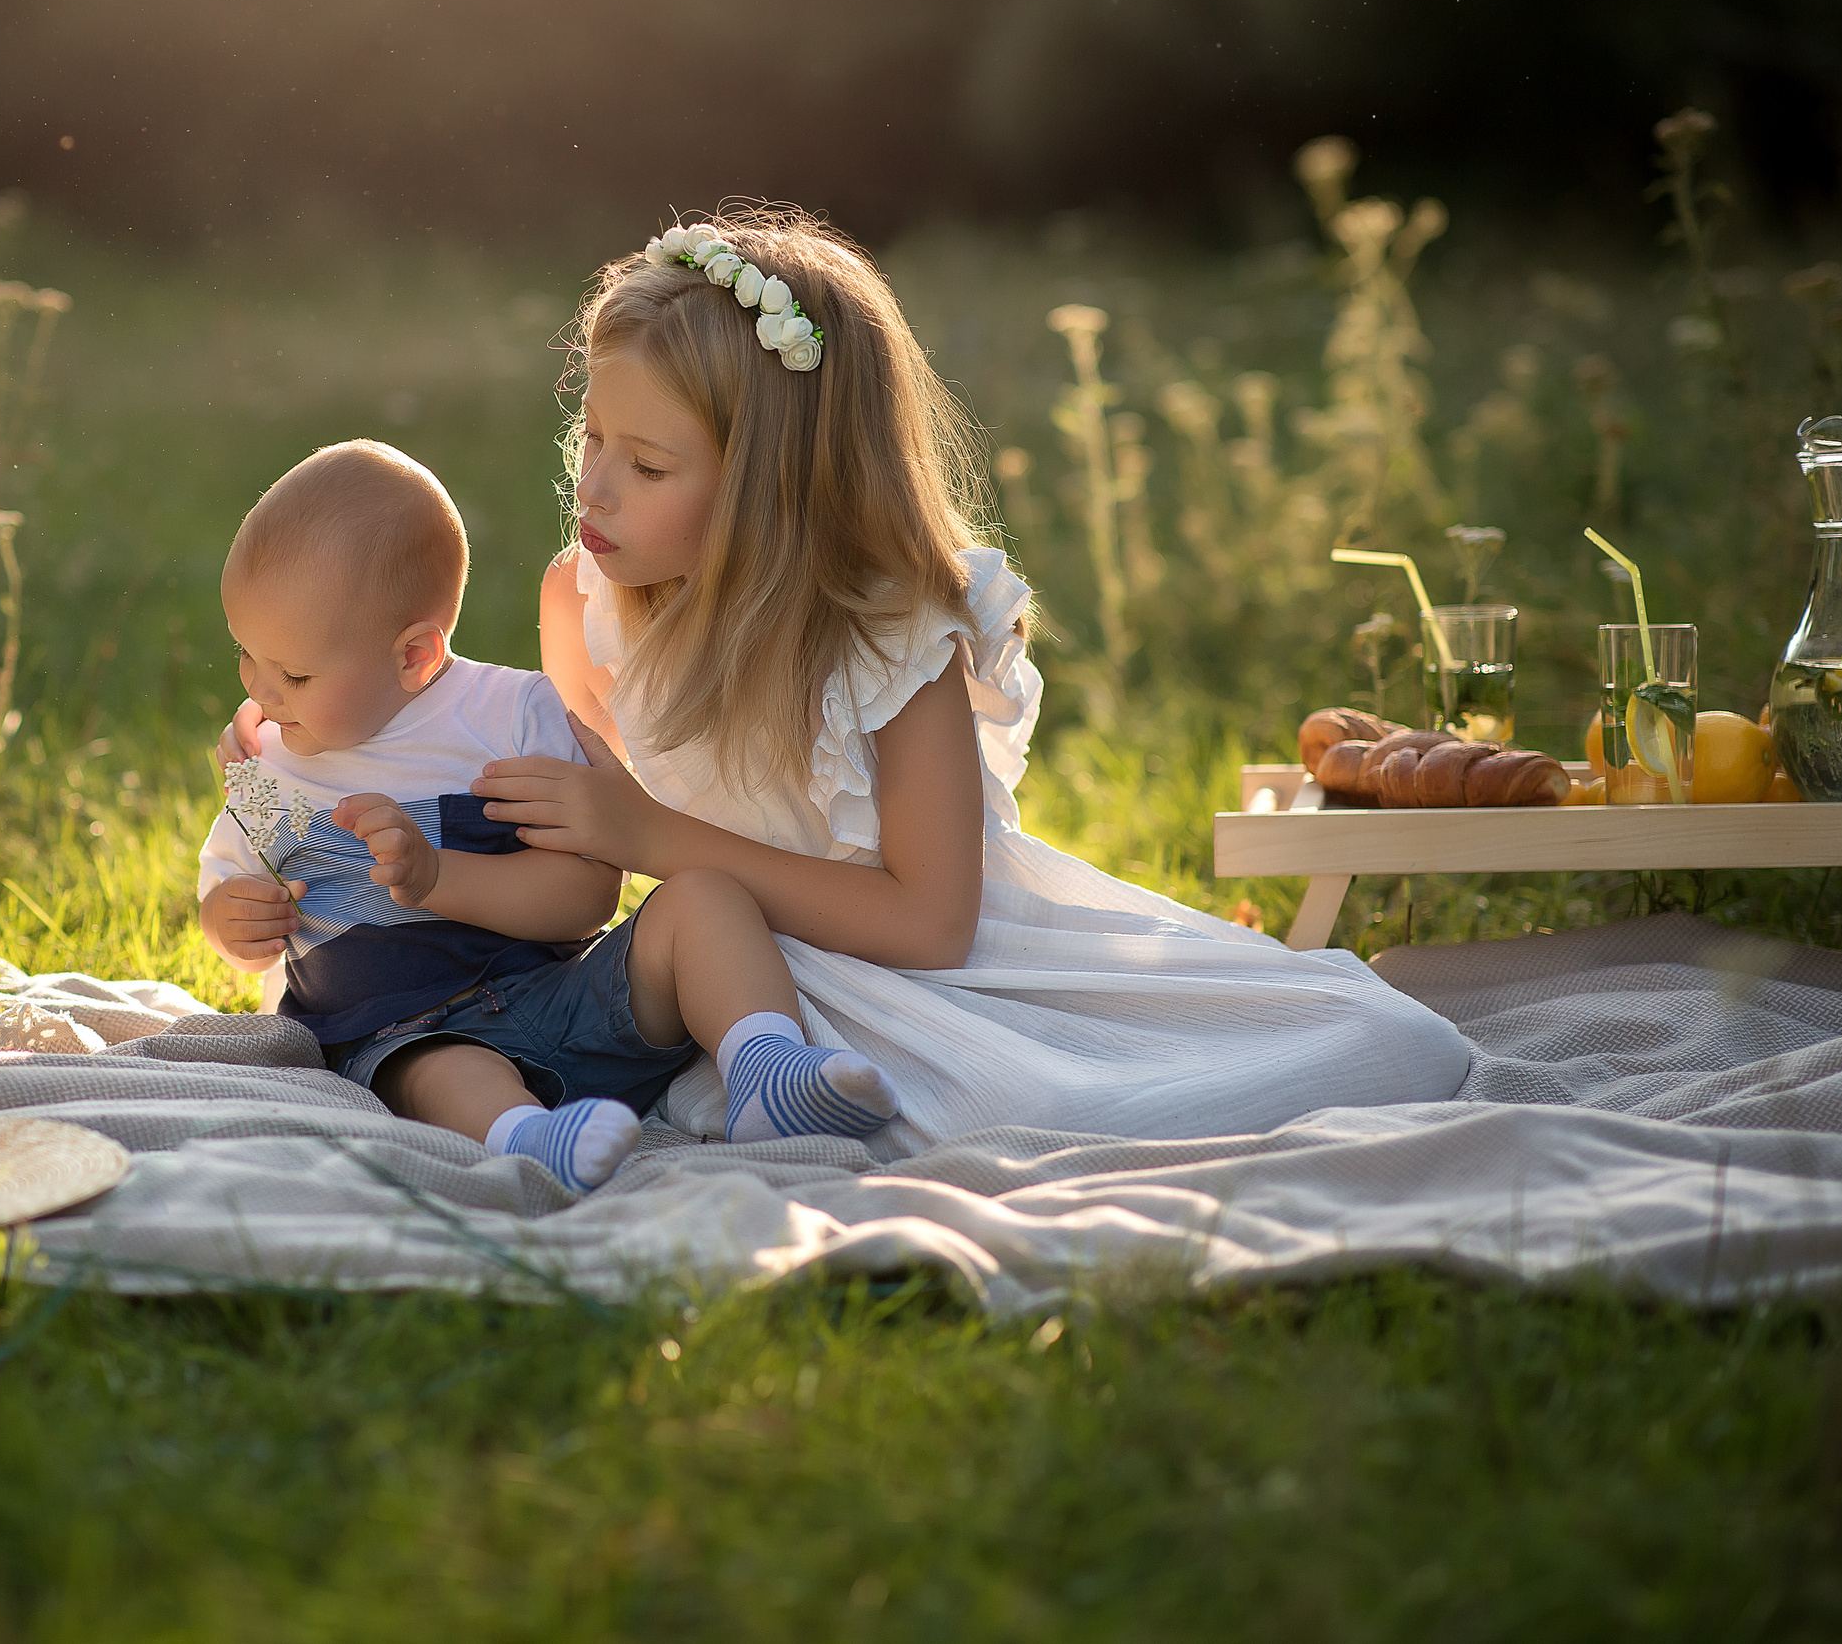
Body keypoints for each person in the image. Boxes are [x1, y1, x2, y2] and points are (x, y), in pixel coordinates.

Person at [227, 212, 1472, 1151]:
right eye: (590, 440)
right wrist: (300, 752)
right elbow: (525, 794)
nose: (593, 489)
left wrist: (655, 833)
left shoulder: (893, 646)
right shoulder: (584, 603)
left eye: (646, 465)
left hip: (931, 965)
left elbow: (931, 922)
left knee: (1315, 1053)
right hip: (735, 968)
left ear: (775, 483)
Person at [197, 438, 905, 1194]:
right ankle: (532, 1138)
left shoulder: (506, 716)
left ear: (414, 656)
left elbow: (589, 897)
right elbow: (234, 897)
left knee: (707, 896)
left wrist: (439, 876)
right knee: (442, 1071)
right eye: (246, 655)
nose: (262, 692)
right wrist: (229, 920)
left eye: (295, 673)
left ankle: (767, 1066)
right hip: (402, 1037)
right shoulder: (268, 770)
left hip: (564, 1001)